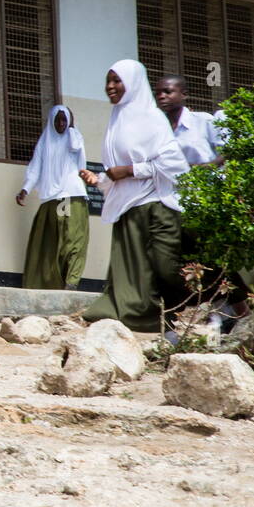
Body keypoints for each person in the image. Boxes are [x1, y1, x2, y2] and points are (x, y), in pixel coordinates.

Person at [79, 59, 189, 336]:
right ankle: (148, 323)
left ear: (134, 83)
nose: (111, 87)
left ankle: (205, 301)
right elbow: (115, 171)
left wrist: (129, 170)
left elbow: (173, 164)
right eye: (109, 80)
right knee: (134, 271)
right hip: (129, 207)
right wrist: (100, 179)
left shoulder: (152, 118)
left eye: (117, 80)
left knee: (165, 268)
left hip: (157, 205)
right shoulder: (116, 121)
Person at [154, 74, 247, 331]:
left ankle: (240, 310)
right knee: (184, 260)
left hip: (205, 201)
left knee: (211, 259)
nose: (162, 96)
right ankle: (212, 313)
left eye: (169, 91)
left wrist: (201, 169)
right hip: (173, 203)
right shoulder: (158, 131)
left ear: (184, 95)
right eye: (159, 92)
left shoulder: (202, 122)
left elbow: (228, 152)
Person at [15, 105, 89, 290]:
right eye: (58, 120)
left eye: (65, 120)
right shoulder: (45, 142)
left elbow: (74, 146)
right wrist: (25, 189)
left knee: (72, 240)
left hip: (70, 195)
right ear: (51, 121)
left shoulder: (74, 136)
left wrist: (72, 126)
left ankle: (71, 281)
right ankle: (53, 284)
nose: (61, 123)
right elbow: (35, 168)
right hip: (53, 199)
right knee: (53, 241)